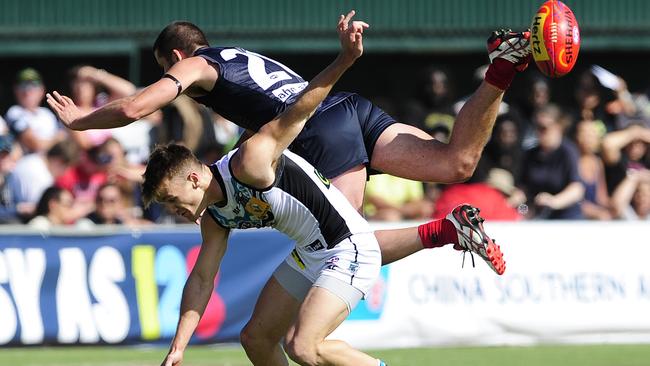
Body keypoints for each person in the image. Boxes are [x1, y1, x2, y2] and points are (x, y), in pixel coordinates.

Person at [142, 18, 502, 366]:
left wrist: (344, 58)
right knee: (256, 338)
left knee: (304, 346)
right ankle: (449, 227)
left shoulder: (249, 160)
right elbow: (203, 278)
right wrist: (178, 348)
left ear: (193, 179)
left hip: (348, 247)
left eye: (172, 199)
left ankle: (501, 70)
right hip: (312, 250)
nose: (174, 210)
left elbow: (299, 109)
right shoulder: (215, 216)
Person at [46, 10, 524, 267]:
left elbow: (133, 108)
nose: (170, 79)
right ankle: (501, 68)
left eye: (164, 68)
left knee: (343, 250)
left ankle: (448, 230)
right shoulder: (240, 56)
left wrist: (80, 121)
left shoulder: (196, 64)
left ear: (175, 54)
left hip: (318, 126)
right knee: (455, 164)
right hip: (346, 109)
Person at [6, 68, 65, 154]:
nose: (27, 91)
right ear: (15, 90)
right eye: (23, 86)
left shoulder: (47, 114)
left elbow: (65, 142)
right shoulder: (14, 112)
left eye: (33, 86)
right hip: (26, 164)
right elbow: (35, 144)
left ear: (42, 90)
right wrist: (57, 139)